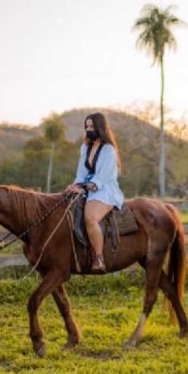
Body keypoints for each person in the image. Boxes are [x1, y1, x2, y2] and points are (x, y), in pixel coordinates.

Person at [65, 112, 124, 271]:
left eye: (92, 126)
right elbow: (81, 173)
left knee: (90, 217)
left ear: (100, 128)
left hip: (105, 190)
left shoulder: (109, 150)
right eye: (87, 126)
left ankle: (99, 259)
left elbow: (103, 177)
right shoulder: (85, 147)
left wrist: (85, 186)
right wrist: (75, 185)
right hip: (87, 187)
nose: (89, 129)